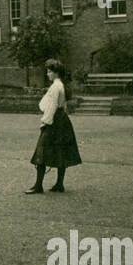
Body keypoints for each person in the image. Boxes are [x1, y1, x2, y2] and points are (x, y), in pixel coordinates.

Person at [25, 58, 81, 193]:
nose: (47, 74)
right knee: (61, 152)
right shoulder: (61, 85)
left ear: (56, 73)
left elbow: (51, 107)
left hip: (54, 121)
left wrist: (45, 122)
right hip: (62, 120)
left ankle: (38, 186)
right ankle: (59, 184)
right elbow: (63, 106)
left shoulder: (56, 86)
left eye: (49, 71)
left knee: (41, 151)